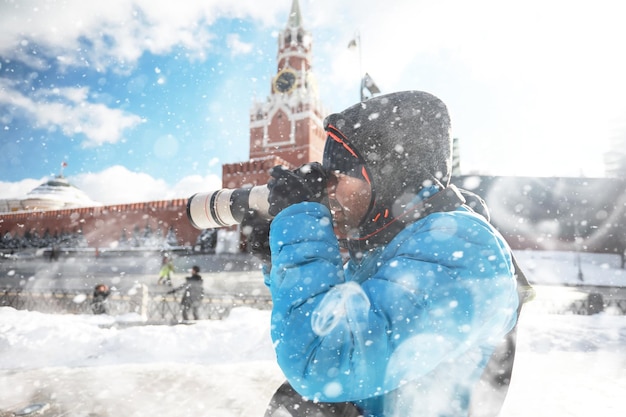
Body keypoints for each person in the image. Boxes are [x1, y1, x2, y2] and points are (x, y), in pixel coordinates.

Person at [242, 91, 527, 417]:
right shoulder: (387, 251)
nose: (327, 190)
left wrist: (301, 226)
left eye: (339, 175)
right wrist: (277, 255)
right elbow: (326, 318)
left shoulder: (463, 248)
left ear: (389, 176)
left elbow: (321, 361)